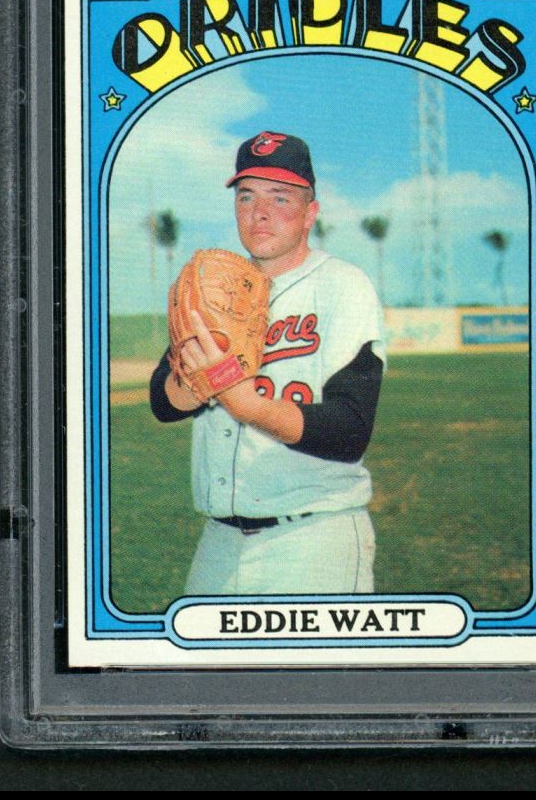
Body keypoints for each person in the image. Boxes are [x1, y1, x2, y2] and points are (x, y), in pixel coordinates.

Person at [149, 131, 387, 596]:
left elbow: (350, 430)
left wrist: (243, 401)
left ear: (310, 213)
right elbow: (163, 402)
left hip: (313, 539)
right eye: (246, 196)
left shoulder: (343, 285)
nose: (259, 212)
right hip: (218, 542)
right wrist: (194, 382)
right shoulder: (215, 286)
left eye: (280, 197)